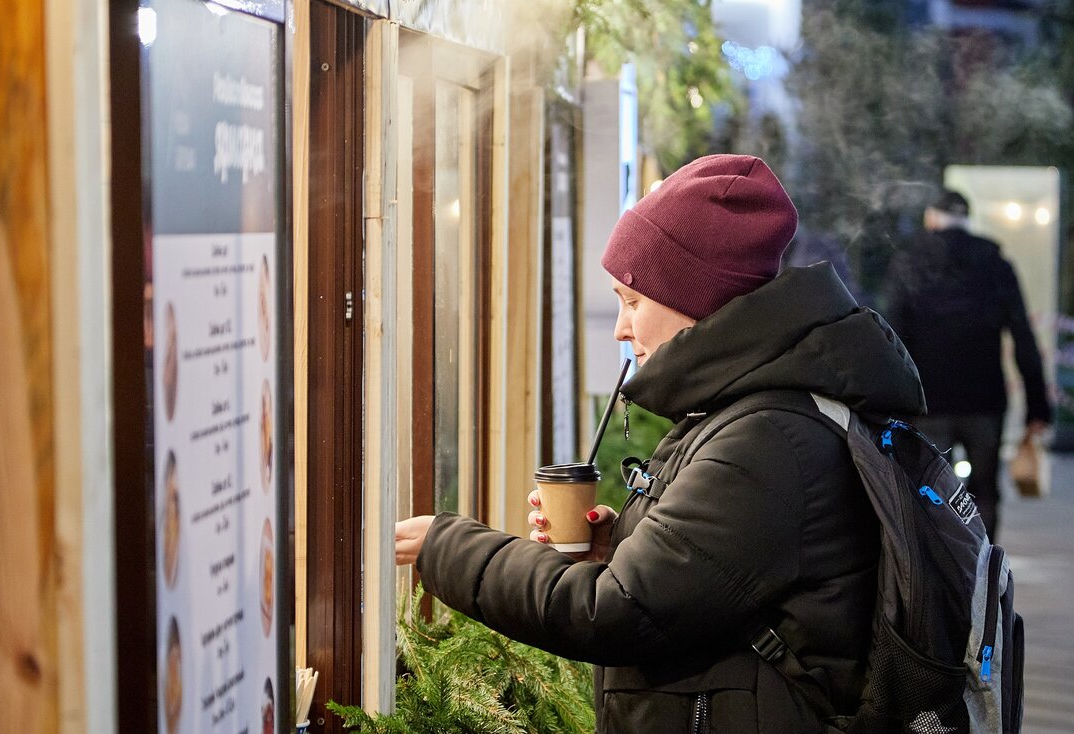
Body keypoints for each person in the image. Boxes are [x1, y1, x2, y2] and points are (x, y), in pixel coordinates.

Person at [396, 155, 925, 733]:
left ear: (696, 300)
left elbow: (611, 612)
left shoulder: (766, 440)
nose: (621, 328)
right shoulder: (751, 413)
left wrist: (449, 547)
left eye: (633, 301)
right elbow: (707, 582)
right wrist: (622, 548)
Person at [885, 189, 1052, 541]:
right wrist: (1037, 406)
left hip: (927, 402)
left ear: (931, 218)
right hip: (984, 402)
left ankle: (938, 562)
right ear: (966, 220)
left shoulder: (908, 264)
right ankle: (983, 561)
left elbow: (893, 337)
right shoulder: (996, 265)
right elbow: (1022, 337)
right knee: (985, 491)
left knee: (928, 489)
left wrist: (890, 402)